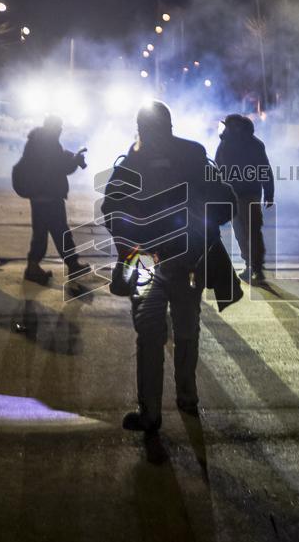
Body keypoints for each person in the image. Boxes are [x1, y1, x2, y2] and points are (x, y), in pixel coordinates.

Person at [101, 101, 239, 451]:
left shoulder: (135, 160)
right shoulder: (191, 155)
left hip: (155, 260)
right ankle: (184, 399)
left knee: (154, 334)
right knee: (184, 329)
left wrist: (129, 244)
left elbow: (111, 208)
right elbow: (225, 201)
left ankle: (153, 412)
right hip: (179, 258)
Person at [12, 115, 90, 284]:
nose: (60, 130)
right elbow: (58, 168)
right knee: (60, 232)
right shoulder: (46, 143)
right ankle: (71, 264)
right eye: (59, 127)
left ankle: (35, 267)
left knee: (43, 233)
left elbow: (57, 162)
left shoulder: (40, 141)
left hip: (41, 196)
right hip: (48, 196)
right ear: (54, 127)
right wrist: (75, 161)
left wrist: (72, 159)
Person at [214, 113, 274, 284]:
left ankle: (255, 267)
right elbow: (218, 169)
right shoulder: (231, 144)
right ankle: (253, 266)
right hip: (239, 195)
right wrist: (268, 192)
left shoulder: (250, 145)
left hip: (245, 195)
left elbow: (264, 169)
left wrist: (269, 193)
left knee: (249, 232)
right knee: (245, 233)